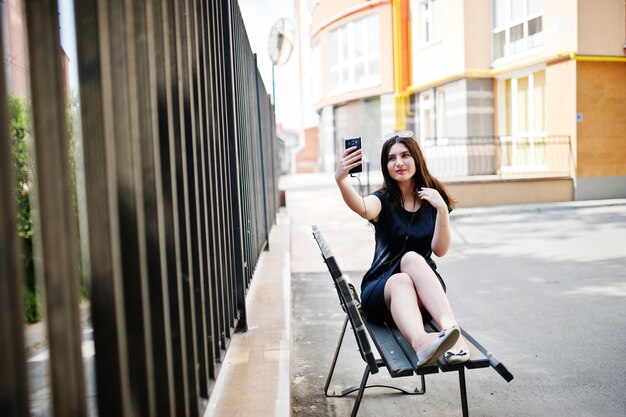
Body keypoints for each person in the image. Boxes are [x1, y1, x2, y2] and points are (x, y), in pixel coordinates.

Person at [335, 130, 469, 367]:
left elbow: (439, 250)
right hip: (381, 291)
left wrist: (440, 210)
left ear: (417, 158)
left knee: (411, 267)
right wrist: (341, 180)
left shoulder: (433, 198)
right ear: (385, 165)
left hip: (423, 293)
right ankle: (424, 342)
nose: (398, 163)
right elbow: (363, 208)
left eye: (405, 155)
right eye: (391, 158)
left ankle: (447, 332)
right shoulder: (383, 199)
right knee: (403, 273)